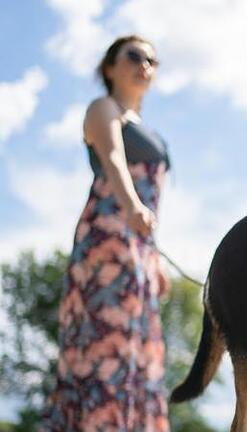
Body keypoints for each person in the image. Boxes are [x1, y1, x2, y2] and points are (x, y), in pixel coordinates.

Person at [41, 35, 171, 431]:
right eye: (133, 56)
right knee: (102, 348)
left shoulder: (148, 129)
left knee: (135, 354)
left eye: (152, 59)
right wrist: (132, 206)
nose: (144, 64)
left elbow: (154, 203)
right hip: (106, 243)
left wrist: (156, 259)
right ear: (109, 67)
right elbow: (113, 158)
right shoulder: (103, 107)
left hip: (138, 249)